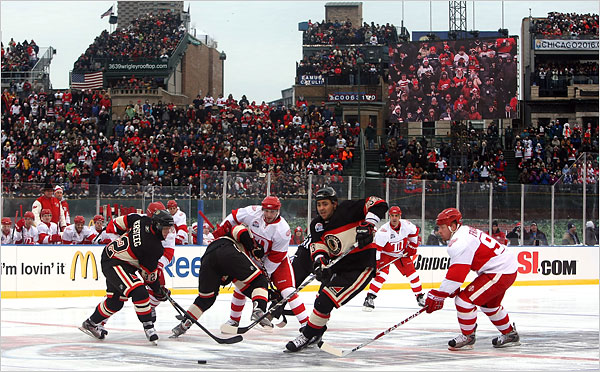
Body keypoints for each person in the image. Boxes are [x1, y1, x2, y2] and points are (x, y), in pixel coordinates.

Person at [285, 187, 388, 352]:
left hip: (360, 268)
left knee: (325, 300)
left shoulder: (348, 209)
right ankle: (316, 332)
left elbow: (379, 203)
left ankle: (308, 334)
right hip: (338, 268)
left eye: (325, 204)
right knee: (321, 300)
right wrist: (320, 264)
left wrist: (368, 224)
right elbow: (319, 248)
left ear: (334, 204)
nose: (321, 208)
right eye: (318, 205)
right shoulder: (317, 225)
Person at [424, 208, 520, 350]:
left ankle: (468, 336)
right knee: (489, 306)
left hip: (500, 271)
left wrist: (440, 295)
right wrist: (450, 289)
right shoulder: (465, 232)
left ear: (453, 226)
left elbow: (456, 275)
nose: (439, 231)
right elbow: (461, 267)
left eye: (442, 227)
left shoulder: (459, 241)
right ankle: (510, 334)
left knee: (463, 301)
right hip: (504, 267)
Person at [211, 196, 309, 332]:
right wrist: (218, 235)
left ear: (278, 211)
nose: (269, 215)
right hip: (253, 258)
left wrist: (263, 277)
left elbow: (277, 257)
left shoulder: (283, 230)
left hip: (278, 262)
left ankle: (307, 325)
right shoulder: (252, 212)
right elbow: (232, 218)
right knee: (242, 285)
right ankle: (234, 320)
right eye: (266, 211)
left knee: (288, 291)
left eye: (272, 212)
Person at [79, 209, 174, 344]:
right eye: (166, 229)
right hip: (115, 263)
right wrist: (158, 291)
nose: (168, 232)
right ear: (158, 226)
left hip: (113, 257)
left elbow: (118, 223)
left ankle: (90, 323)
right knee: (139, 291)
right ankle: (148, 327)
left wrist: (117, 240)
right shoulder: (154, 247)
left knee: (115, 303)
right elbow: (148, 277)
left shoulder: (141, 220)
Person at [170, 224, 273, 337]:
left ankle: (184, 325)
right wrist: (253, 247)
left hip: (207, 259)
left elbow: (246, 288)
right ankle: (259, 311)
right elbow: (239, 230)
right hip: (226, 250)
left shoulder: (237, 263)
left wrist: (268, 296)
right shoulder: (246, 240)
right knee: (260, 280)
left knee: (205, 299)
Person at [363, 206, 425, 311]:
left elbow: (414, 233)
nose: (394, 218)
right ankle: (369, 298)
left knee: (413, 275)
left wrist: (413, 246)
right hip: (386, 254)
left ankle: (420, 297)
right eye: (392, 216)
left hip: (401, 254)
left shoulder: (407, 225)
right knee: (381, 275)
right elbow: (377, 250)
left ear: (400, 216)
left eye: (396, 216)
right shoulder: (383, 231)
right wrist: (377, 263)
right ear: (389, 216)